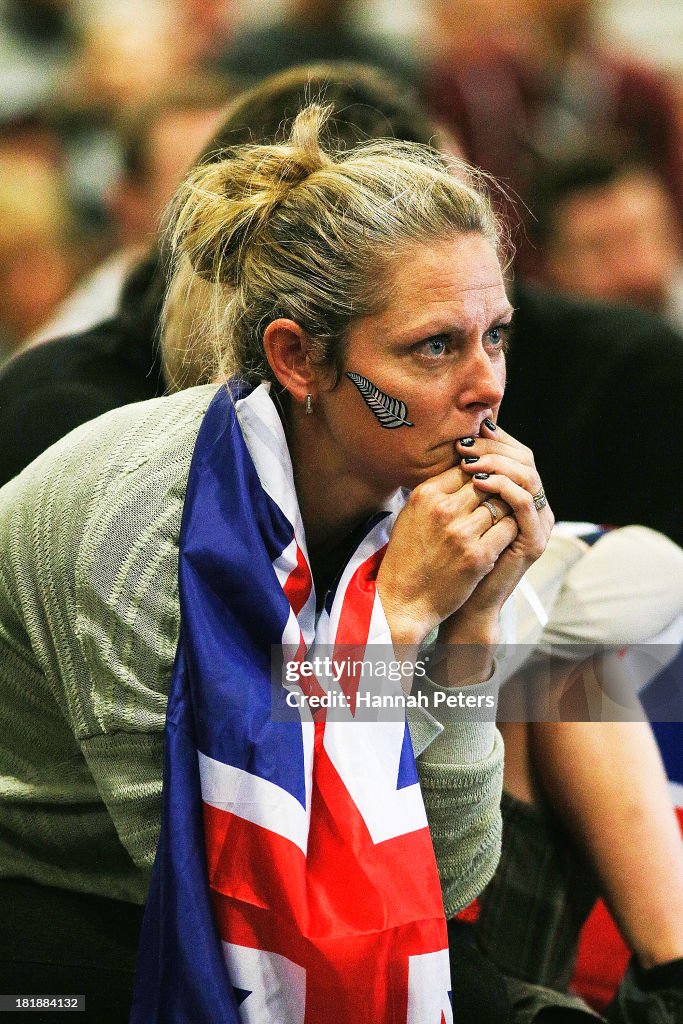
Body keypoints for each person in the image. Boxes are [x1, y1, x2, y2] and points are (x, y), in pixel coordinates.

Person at [0, 104, 552, 1022]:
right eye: (434, 347)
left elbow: (448, 875)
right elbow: (240, 908)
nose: (486, 384)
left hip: (241, 884)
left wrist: (471, 624)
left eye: (493, 334)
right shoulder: (143, 526)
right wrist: (394, 627)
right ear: (297, 358)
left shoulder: (416, 481)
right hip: (61, 889)